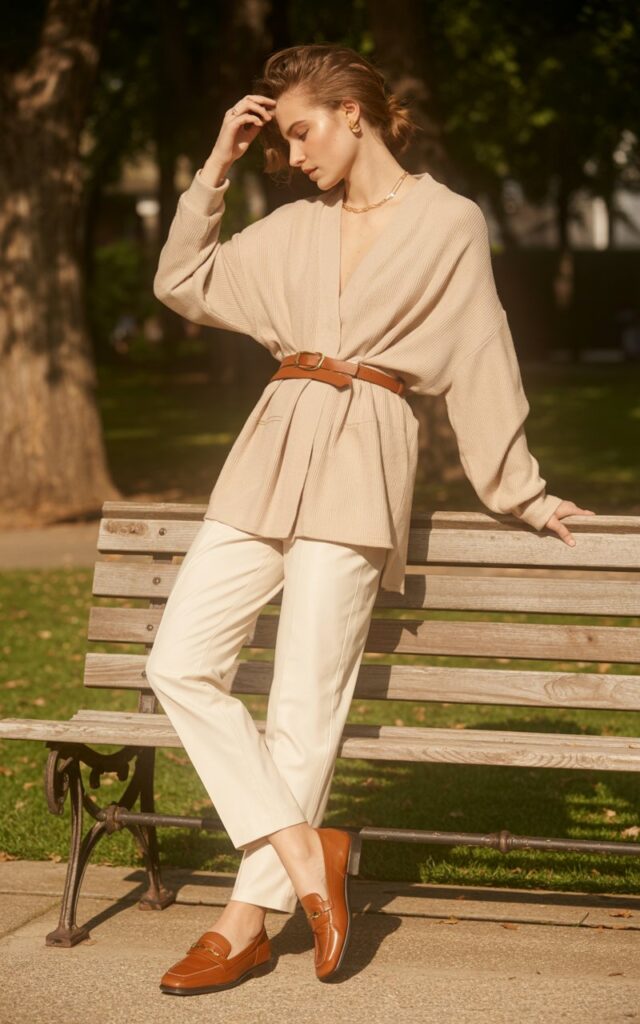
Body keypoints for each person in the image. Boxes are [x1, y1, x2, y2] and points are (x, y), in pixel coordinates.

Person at [146, 43, 596, 995]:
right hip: (271, 445)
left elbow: (482, 355)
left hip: (366, 451)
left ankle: (246, 921)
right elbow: (181, 283)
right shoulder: (290, 229)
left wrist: (520, 489)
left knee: (306, 703)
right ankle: (311, 854)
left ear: (356, 113)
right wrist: (216, 170)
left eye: (300, 130)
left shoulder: (450, 224)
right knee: (177, 659)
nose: (294, 153)